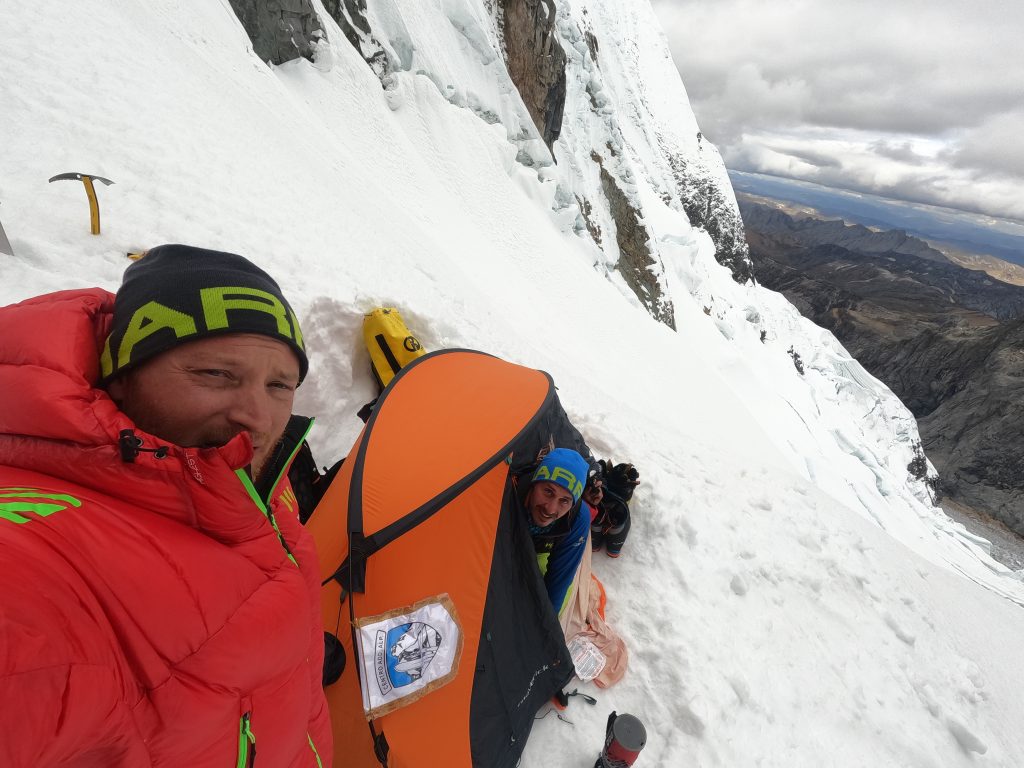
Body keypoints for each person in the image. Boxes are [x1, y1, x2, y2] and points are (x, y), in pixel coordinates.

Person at [0, 244, 332, 767]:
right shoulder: (38, 561)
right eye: (215, 374)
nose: (258, 417)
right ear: (123, 376)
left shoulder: (252, 482)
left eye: (278, 385)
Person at [523, 447, 593, 615]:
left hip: (543, 549)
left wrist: (546, 625)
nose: (550, 509)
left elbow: (559, 580)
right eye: (548, 492)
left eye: (564, 501)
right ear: (534, 484)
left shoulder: (577, 518)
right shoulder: (511, 493)